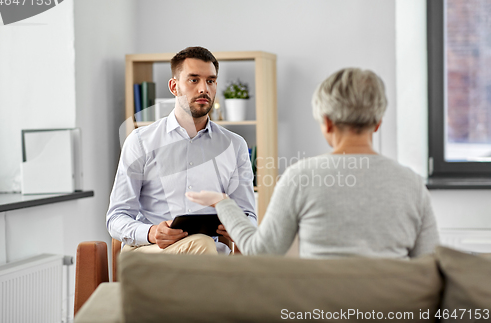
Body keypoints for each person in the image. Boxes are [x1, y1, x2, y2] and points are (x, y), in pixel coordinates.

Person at [187, 67, 439, 259]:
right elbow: (430, 264)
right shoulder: (412, 183)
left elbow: (260, 251)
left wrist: (223, 202)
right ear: (377, 123)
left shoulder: (300, 177)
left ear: (327, 122)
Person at [107, 46, 256, 255]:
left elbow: (248, 214)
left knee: (206, 247)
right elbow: (116, 217)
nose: (204, 88)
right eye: (194, 80)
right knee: (204, 247)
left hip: (208, 253)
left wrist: (238, 226)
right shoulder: (141, 141)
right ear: (174, 86)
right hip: (151, 252)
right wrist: (151, 232)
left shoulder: (235, 145)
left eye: (211, 81)